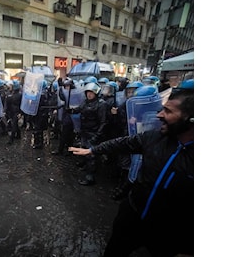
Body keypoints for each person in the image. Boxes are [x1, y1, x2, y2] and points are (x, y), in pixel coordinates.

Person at [68, 82, 194, 256]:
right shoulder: (154, 138)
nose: (159, 115)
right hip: (132, 216)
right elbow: (123, 143)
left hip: (167, 231)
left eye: (169, 111)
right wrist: (92, 150)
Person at [69, 82, 108, 186]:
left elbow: (103, 122)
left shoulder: (101, 104)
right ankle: (87, 168)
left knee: (91, 156)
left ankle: (90, 177)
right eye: (87, 92)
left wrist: (97, 135)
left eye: (91, 92)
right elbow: (79, 109)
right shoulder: (85, 102)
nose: (89, 94)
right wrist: (71, 110)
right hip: (85, 132)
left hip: (93, 133)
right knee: (85, 152)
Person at [4, 80, 22, 145]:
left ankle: (11, 139)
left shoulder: (17, 95)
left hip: (15, 112)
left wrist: (20, 113)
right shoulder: (13, 94)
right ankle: (18, 135)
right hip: (12, 111)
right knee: (15, 124)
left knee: (14, 125)